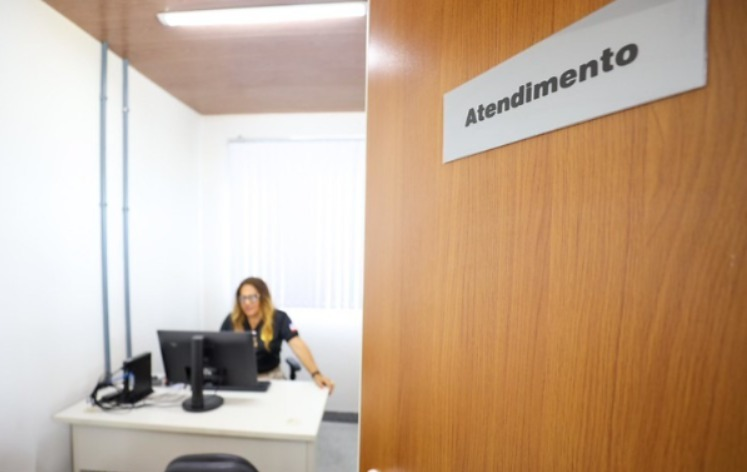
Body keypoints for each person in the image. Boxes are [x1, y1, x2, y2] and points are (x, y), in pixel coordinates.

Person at [220, 277, 335, 394]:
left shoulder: (279, 319)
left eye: (252, 298)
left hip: (271, 377)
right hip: (239, 379)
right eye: (243, 298)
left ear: (263, 298)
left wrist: (316, 374)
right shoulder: (231, 320)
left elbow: (297, 344)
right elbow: (218, 349)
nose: (247, 303)